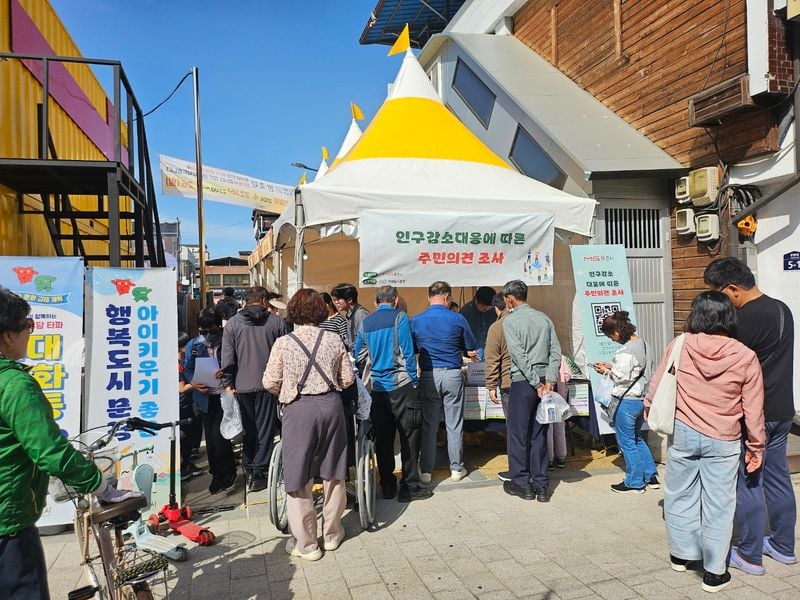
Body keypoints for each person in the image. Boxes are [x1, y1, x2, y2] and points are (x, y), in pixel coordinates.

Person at [0, 289, 138, 598]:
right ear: (8, 335)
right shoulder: (13, 384)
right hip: (8, 523)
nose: (30, 331)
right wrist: (102, 486)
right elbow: (50, 453)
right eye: (27, 325)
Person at [645, 291, 764, 593]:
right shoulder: (745, 355)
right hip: (724, 438)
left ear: (696, 315)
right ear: (728, 316)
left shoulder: (680, 345)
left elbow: (657, 384)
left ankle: (681, 556)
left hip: (684, 432)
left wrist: (649, 408)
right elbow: (753, 409)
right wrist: (756, 447)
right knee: (719, 504)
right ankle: (713, 572)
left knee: (679, 494)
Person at [704, 257, 797, 574]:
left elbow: (724, 367)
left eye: (719, 294)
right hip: (783, 410)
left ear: (733, 289)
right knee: (778, 479)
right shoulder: (782, 308)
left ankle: (749, 555)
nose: (719, 301)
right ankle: (784, 547)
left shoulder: (743, 321)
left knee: (749, 483)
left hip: (754, 414)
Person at [262, 289, 355, 561]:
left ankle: (307, 544)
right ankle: (332, 535)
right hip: (331, 407)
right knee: (334, 473)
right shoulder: (334, 339)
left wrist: (287, 389)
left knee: (298, 477)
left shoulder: (283, 343)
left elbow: (269, 382)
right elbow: (347, 378)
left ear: (293, 312)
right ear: (319, 311)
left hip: (299, 409)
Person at [354, 285, 433, 503]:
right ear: (396, 300)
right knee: (409, 437)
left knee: (384, 439)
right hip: (402, 386)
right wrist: (414, 383)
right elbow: (408, 354)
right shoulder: (401, 318)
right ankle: (409, 487)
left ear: (375, 302)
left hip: (378, 389)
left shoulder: (366, 322)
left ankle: (387, 484)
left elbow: (357, 354)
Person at [221, 286, 287, 492]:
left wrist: (227, 383)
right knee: (266, 428)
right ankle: (259, 471)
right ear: (265, 301)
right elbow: (286, 355)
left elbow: (228, 358)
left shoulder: (232, 324)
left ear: (246, 301)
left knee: (249, 428)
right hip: (270, 384)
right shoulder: (277, 322)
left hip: (242, 384)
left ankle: (250, 466)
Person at [411, 281, 478, 483]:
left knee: (429, 425)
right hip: (453, 374)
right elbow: (471, 346)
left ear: (428, 297)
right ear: (447, 297)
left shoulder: (416, 320)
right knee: (454, 424)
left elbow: (412, 348)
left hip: (429, 375)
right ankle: (457, 469)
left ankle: (426, 471)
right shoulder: (457, 318)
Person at [501, 280, 561, 502]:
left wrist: (536, 383)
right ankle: (541, 485)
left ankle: (521, 483)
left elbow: (518, 355)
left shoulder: (511, 320)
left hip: (524, 382)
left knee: (518, 433)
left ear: (510, 298)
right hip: (545, 381)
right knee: (539, 434)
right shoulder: (544, 318)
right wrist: (549, 381)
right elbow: (556, 351)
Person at [592, 311, 658, 493]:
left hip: (627, 402)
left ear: (616, 332)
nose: (612, 340)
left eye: (611, 336)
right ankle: (651, 476)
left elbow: (621, 377)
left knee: (627, 442)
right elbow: (634, 372)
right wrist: (611, 367)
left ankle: (635, 482)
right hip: (641, 399)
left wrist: (605, 371)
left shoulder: (626, 350)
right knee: (637, 438)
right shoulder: (643, 344)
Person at [184, 309, 237, 494]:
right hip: (204, 398)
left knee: (221, 437)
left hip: (224, 395)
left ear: (219, 327)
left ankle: (228, 472)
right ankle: (216, 474)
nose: (207, 335)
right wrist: (194, 383)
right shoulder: (194, 345)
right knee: (212, 440)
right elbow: (188, 369)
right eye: (203, 331)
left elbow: (237, 363)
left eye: (211, 331)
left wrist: (227, 373)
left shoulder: (228, 341)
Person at [484, 292, 511, 481]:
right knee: (534, 429)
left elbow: (492, 359)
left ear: (496, 307)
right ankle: (539, 472)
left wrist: (491, 384)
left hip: (510, 383)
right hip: (538, 382)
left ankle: (517, 470)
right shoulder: (538, 320)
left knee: (515, 428)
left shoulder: (498, 326)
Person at [178, 332, 203, 480]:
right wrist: (194, 384)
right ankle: (184, 467)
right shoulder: (178, 366)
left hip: (187, 403)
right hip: (183, 405)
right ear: (181, 347)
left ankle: (187, 464)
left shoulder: (183, 362)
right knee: (184, 436)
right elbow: (181, 388)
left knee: (189, 434)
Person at [330, 283, 370, 355]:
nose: (336, 302)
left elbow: (366, 341)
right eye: (335, 299)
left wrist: (358, 358)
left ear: (349, 300)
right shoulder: (349, 314)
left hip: (363, 361)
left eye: (338, 299)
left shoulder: (360, 314)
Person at [460, 286, 497, 351]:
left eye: (489, 306)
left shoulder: (494, 310)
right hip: (473, 354)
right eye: (484, 306)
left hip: (491, 353)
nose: (487, 309)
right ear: (476, 301)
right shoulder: (465, 312)